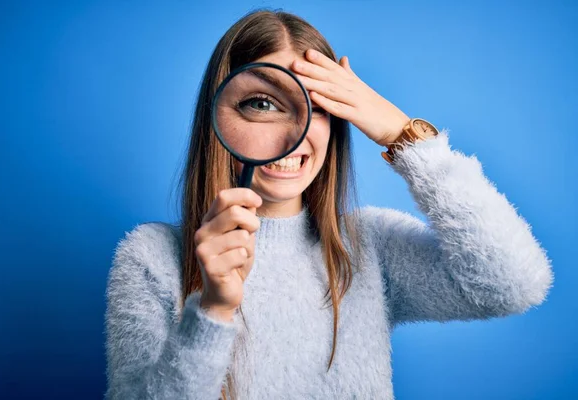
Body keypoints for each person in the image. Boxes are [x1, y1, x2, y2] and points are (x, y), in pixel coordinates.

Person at [104, 9, 553, 400]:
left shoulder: (367, 246)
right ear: (219, 117)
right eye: (262, 103)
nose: (292, 134)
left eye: (317, 106)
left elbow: (514, 284)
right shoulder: (149, 257)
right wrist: (212, 310)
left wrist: (405, 137)